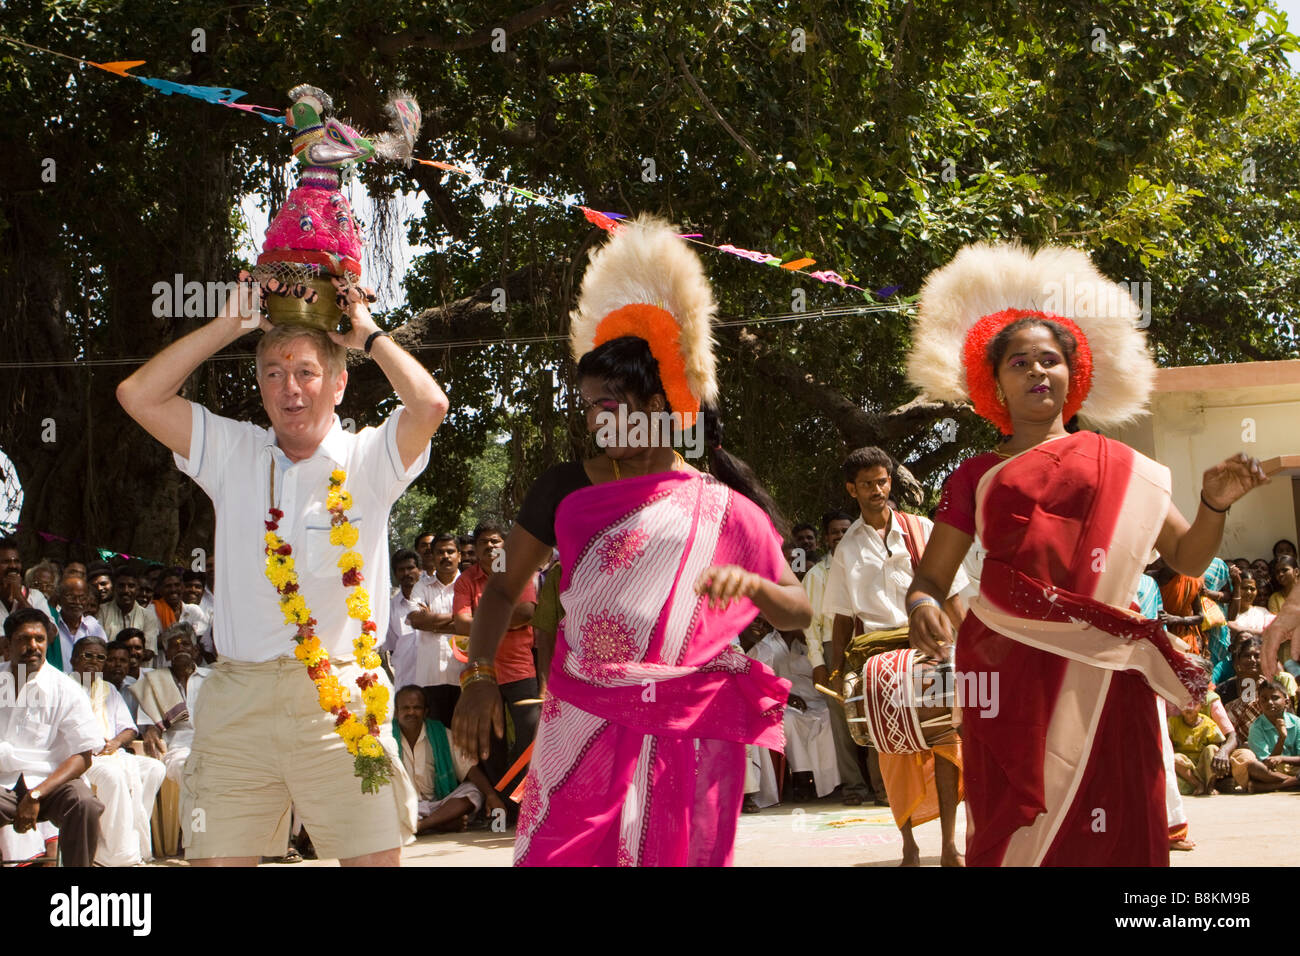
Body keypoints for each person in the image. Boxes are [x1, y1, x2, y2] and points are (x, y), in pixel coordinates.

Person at [453, 216, 811, 866]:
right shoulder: (563, 488)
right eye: (591, 406)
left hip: (685, 726)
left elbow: (799, 609)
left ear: (661, 404)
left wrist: (756, 586)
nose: (599, 420)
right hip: (580, 717)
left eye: (613, 404)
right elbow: (505, 589)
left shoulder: (720, 505)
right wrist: (478, 678)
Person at [903, 241, 1268, 866]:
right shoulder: (975, 476)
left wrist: (1214, 504)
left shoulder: (1122, 466)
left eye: (1051, 360)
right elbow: (931, 579)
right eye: (1019, 362)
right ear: (995, 382)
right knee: (1014, 813)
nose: (1037, 371)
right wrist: (920, 605)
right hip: (1008, 667)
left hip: (1108, 664)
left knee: (1115, 813)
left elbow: (1183, 557)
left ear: (1076, 375)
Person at [117, 243, 446, 866]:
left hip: (343, 698)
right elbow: (138, 394)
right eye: (272, 372)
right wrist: (233, 322)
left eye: (306, 372)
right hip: (239, 699)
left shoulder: (369, 459)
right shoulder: (232, 450)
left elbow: (430, 406)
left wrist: (369, 335)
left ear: (341, 382)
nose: (289, 389)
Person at [824, 446, 968, 864]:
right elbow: (842, 618)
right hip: (879, 662)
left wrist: (973, 646)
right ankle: (908, 846)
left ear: (891, 480)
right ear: (852, 489)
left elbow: (953, 596)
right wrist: (836, 670)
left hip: (931, 650)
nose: (877, 490)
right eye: (867, 484)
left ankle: (948, 846)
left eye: (882, 481)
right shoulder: (845, 549)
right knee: (893, 756)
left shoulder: (922, 529)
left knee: (947, 743)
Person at [0, 608, 105, 866]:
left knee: (84, 803)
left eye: (39, 639)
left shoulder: (66, 689)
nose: (32, 646)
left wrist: (35, 795)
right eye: (23, 639)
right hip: (2, 782)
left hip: (50, 784)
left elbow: (83, 756)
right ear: (7, 644)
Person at [452, 519, 538, 786]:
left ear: (505, 544)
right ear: (475, 549)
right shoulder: (466, 580)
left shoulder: (517, 572)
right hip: (480, 673)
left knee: (530, 736)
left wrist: (482, 619)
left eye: (494, 541)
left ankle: (527, 803)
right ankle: (501, 805)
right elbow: (460, 624)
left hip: (519, 668)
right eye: (482, 542)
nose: (489, 546)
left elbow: (527, 613)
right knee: (489, 742)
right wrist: (505, 621)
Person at [69, 636, 167, 866]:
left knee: (155, 769)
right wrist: (92, 745)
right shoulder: (66, 685)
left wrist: (114, 743)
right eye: (88, 655)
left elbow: (129, 729)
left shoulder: (108, 689)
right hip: (80, 757)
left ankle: (132, 838)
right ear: (74, 660)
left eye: (100, 657)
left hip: (111, 752)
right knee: (113, 777)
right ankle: (112, 855)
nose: (94, 661)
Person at [802, 509, 863, 804]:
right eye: (835, 532)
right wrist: (819, 664)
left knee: (872, 713)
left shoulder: (864, 565)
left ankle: (882, 788)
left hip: (866, 643)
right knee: (842, 722)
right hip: (830, 646)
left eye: (846, 530)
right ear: (826, 538)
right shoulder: (816, 575)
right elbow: (810, 625)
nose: (841, 536)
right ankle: (854, 787)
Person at [134, 623, 210, 857]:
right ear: (165, 654)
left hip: (215, 746)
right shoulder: (153, 683)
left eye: (185, 643)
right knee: (194, 775)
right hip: (177, 749)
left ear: (196, 650)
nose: (180, 649)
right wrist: (150, 731)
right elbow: (148, 725)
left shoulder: (213, 678)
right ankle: (197, 841)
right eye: (173, 646)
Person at [747, 624, 839, 801]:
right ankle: (802, 777)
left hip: (816, 699)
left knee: (828, 715)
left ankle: (830, 782)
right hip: (785, 701)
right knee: (789, 718)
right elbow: (761, 680)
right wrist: (785, 697)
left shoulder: (811, 644)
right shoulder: (767, 645)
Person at [392, 685, 503, 832]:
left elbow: (469, 768)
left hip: (438, 805)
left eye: (417, 707)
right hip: (402, 805)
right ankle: (440, 825)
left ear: (425, 712)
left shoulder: (441, 734)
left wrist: (491, 795)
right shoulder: (386, 737)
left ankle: (422, 826)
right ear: (396, 712)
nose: (411, 712)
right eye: (405, 708)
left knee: (473, 790)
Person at [407, 533, 464, 725]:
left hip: (463, 675)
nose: (446, 556)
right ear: (433, 556)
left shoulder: (469, 586)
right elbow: (416, 621)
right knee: (437, 741)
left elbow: (478, 622)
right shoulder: (421, 587)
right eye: (440, 552)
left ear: (459, 556)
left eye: (450, 551)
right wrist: (459, 619)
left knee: (463, 741)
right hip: (429, 676)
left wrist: (432, 622)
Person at [142, 566, 211, 664]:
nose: (173, 589)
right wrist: (186, 639)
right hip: (162, 667)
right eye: (168, 586)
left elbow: (201, 641)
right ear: (160, 589)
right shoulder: (151, 611)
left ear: (182, 587)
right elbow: (149, 643)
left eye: (177, 585)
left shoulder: (193, 611)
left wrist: (165, 639)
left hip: (190, 667)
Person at [52, 576, 107, 674]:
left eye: (82, 598)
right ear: (59, 599)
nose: (77, 602)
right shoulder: (51, 625)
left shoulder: (94, 628)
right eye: (70, 596)